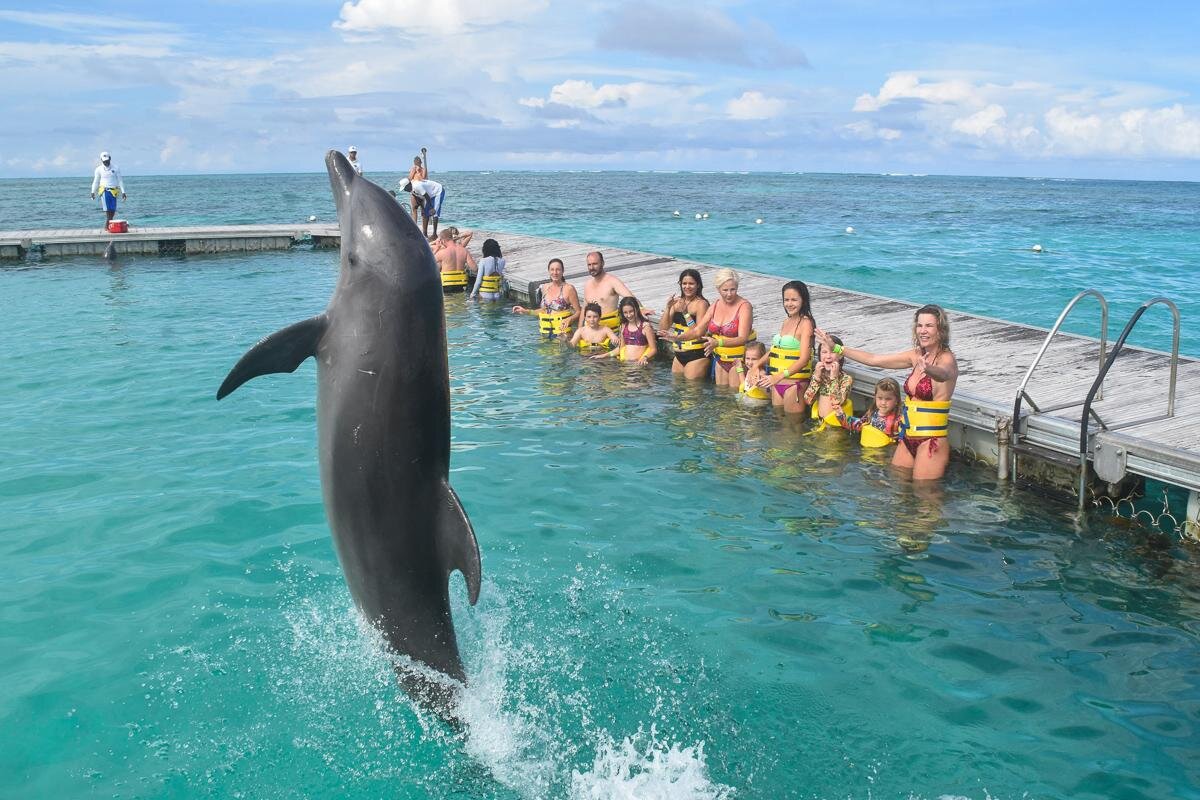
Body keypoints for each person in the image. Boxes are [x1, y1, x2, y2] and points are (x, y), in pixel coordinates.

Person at [815, 304, 959, 479]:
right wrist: (837, 348)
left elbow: (944, 374)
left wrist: (929, 369)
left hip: (931, 441)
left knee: (925, 497)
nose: (923, 330)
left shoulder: (947, 359)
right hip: (907, 437)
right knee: (898, 488)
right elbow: (874, 360)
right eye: (919, 325)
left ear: (941, 330)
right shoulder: (915, 356)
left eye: (929, 326)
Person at [683, 268, 754, 387]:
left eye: (733, 289)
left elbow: (743, 338)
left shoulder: (745, 307)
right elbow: (698, 331)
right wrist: (676, 338)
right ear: (718, 289)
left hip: (737, 360)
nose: (729, 293)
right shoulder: (715, 305)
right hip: (720, 359)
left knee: (734, 396)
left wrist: (718, 342)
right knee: (721, 395)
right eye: (725, 290)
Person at [759, 281, 815, 415]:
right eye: (786, 300)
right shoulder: (786, 321)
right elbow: (776, 351)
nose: (790, 304)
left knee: (791, 429)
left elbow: (804, 359)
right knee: (779, 425)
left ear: (803, 300)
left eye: (794, 299)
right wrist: (757, 365)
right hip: (777, 382)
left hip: (794, 384)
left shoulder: (806, 323)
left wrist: (779, 376)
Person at [656, 268, 710, 380]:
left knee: (690, 392)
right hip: (679, 356)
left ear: (698, 285)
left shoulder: (701, 304)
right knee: (677, 391)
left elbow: (698, 333)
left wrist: (686, 313)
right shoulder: (677, 303)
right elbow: (662, 328)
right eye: (684, 283)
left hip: (697, 355)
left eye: (691, 283)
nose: (687, 287)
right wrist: (668, 307)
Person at [512, 257, 581, 337]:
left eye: (558, 269)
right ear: (549, 271)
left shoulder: (569, 289)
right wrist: (526, 311)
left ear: (563, 271)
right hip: (545, 334)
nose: (555, 272)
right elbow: (544, 310)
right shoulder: (545, 287)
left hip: (562, 335)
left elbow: (579, 311)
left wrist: (570, 319)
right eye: (552, 269)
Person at [834, 378, 903, 448]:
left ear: (896, 400)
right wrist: (841, 415)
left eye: (888, 399)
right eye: (880, 398)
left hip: (885, 451)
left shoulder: (898, 421)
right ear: (875, 397)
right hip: (867, 448)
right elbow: (857, 425)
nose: (883, 403)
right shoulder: (871, 414)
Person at [803, 335, 854, 425]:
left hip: (835, 426)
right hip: (819, 422)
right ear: (819, 355)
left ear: (841, 355)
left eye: (832, 352)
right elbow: (808, 400)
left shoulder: (846, 379)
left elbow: (837, 402)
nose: (828, 356)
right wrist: (816, 378)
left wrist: (833, 378)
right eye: (824, 352)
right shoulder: (818, 376)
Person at [582, 251, 635, 330]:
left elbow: (630, 297)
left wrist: (641, 309)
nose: (592, 267)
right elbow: (584, 309)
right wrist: (580, 329)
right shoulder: (588, 285)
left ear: (602, 263)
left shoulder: (612, 281)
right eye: (589, 265)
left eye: (595, 264)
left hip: (611, 331)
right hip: (591, 333)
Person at [594, 297, 656, 365]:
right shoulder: (623, 326)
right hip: (625, 365)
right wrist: (604, 355)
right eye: (625, 312)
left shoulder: (645, 327)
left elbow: (653, 349)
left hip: (639, 366)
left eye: (631, 311)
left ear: (637, 309)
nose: (629, 315)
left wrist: (645, 357)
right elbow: (621, 348)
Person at [90, 152, 126, 227]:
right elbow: (96, 181)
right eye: (104, 161)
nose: (106, 162)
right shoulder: (98, 169)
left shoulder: (116, 168)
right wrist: (93, 192)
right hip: (104, 190)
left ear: (110, 158)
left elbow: (120, 180)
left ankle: (109, 224)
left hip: (114, 191)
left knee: (113, 209)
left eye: (107, 161)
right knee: (107, 209)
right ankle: (108, 224)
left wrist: (123, 192)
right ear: (101, 160)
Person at [737, 341, 771, 406]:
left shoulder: (761, 374)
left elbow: (769, 396)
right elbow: (745, 386)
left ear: (762, 359)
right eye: (747, 358)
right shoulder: (750, 371)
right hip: (746, 405)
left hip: (756, 409)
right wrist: (739, 369)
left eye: (754, 359)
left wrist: (760, 386)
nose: (750, 362)